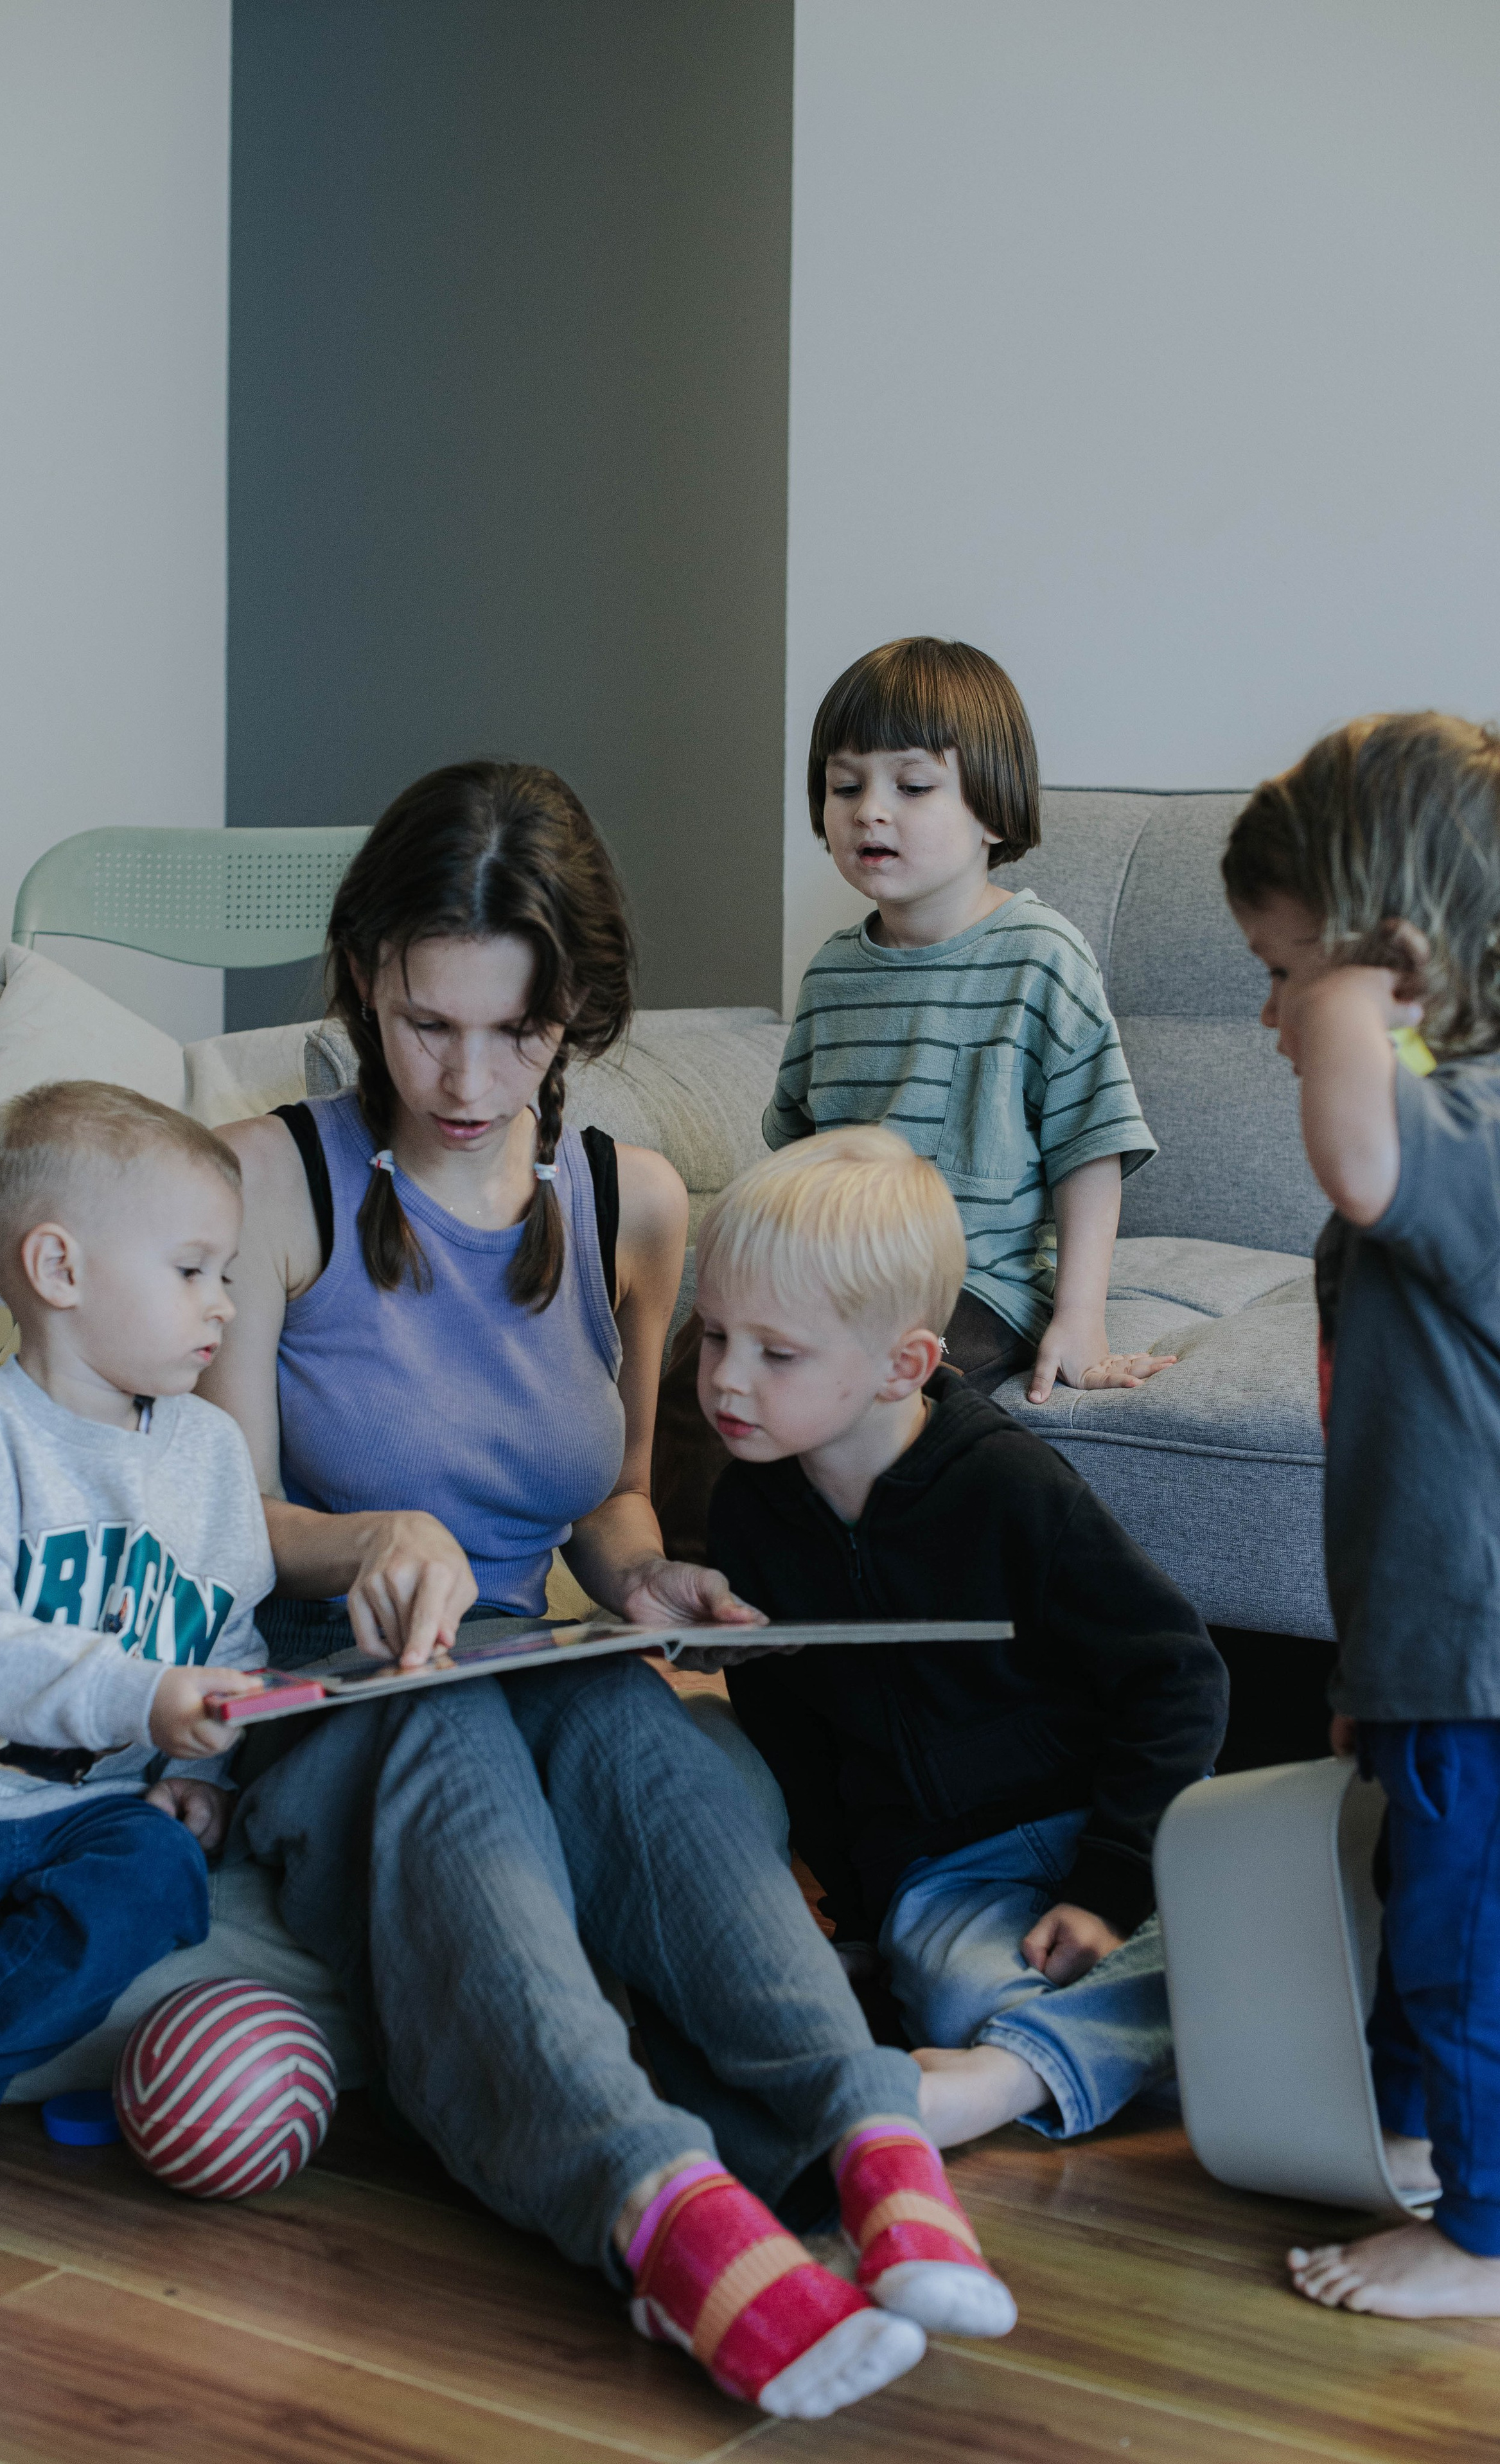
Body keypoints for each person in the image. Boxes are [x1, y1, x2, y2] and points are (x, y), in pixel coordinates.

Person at [206, 761, 1014, 2420]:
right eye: (432, 1023)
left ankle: (866, 2130)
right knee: (463, 1741)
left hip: (532, 1647)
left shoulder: (631, 1202)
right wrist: (358, 1540)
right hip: (336, 1680)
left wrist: (654, 1580)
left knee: (625, 1721)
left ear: (580, 1008)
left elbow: (612, 1499)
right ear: (370, 975)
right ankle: (657, 2202)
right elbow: (215, 1517)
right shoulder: (268, 1179)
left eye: (524, 1032)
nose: (474, 1076)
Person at [688, 1124, 1226, 2149]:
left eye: (775, 1353)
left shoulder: (1011, 1489)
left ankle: (1010, 2077)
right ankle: (1067, 2048)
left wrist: (1112, 1884)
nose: (725, 1379)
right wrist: (856, 1911)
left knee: (1243, 1943)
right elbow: (785, 1725)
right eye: (715, 1336)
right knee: (948, 1994)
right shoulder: (750, 1515)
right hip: (948, 1872)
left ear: (906, 1365)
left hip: (1103, 1822)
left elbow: (1176, 1676)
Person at [653, 634, 1174, 1561]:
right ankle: (692, 1595)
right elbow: (798, 1153)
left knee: (869, 1393)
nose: (870, 813)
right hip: (822, 1270)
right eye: (846, 786)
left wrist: (1080, 1317)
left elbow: (1091, 1146)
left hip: (966, 1282)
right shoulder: (834, 974)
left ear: (991, 808)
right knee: (696, 1372)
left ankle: (832, 1587)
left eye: (912, 786)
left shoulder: (1039, 956)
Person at [0, 1081, 272, 2165]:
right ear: (60, 1271)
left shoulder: (211, 1454)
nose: (222, 1304)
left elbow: (227, 1636)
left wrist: (204, 1771)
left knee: (158, 1880)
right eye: (192, 1272)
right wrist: (137, 1694)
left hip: (98, 1810)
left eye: (223, 1274)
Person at [1222, 713, 1500, 2321]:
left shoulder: (1460, 1129)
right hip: (1423, 1641)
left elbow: (1349, 1147)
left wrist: (1349, 983)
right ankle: (1417, 2135)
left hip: (1475, 1649)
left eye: (1283, 974)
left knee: (1464, 1942)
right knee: (1423, 1903)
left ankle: (1485, 2231)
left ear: (1387, 965)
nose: (1271, 1017)